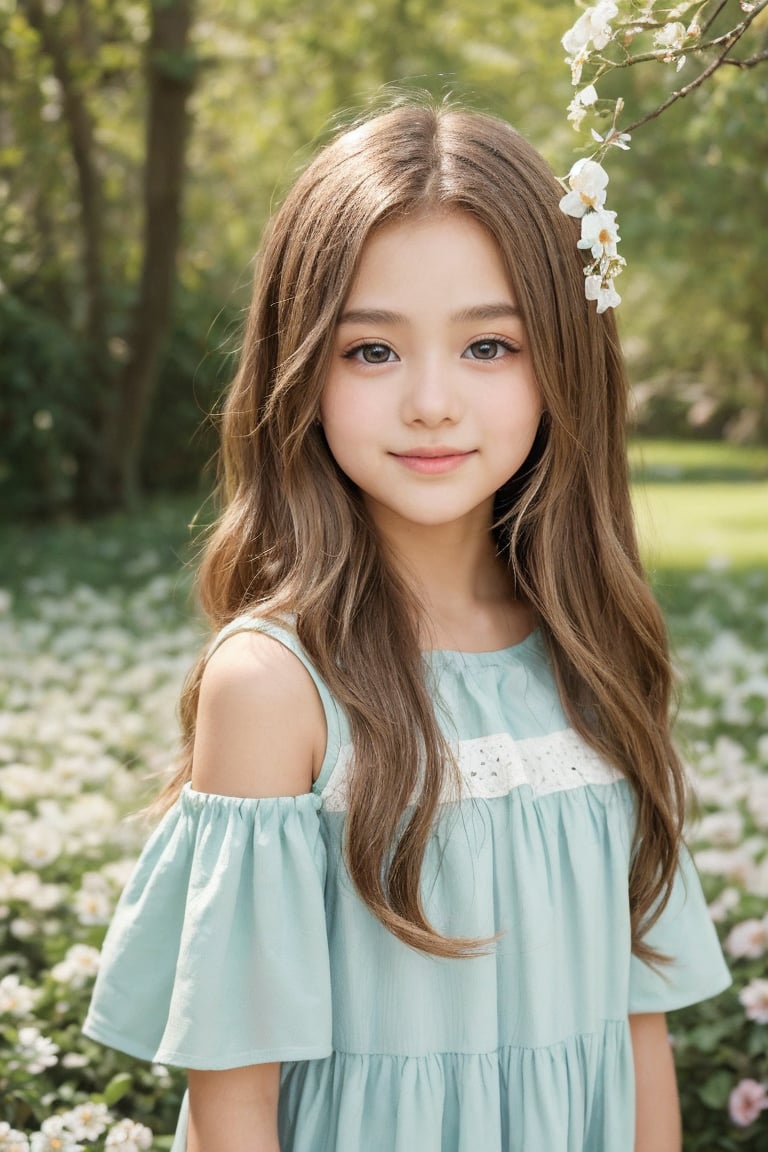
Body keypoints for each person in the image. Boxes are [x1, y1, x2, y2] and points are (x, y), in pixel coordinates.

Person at [83, 100, 731, 1152]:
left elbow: (635, 1027)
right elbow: (232, 1100)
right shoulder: (278, 684)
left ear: (566, 359)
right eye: (372, 352)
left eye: (488, 345)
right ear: (299, 366)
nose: (432, 401)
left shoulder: (589, 654)